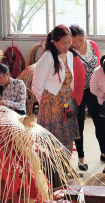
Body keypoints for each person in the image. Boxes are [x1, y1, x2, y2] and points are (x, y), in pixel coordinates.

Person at [32, 25, 80, 154]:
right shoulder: (47, 58)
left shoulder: (69, 55)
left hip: (68, 99)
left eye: (70, 42)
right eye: (64, 43)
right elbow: (37, 86)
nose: (68, 46)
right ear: (54, 42)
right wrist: (45, 102)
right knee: (53, 139)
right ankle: (53, 172)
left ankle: (67, 170)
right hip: (51, 102)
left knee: (69, 134)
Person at [69, 24, 105, 171]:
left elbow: (98, 68)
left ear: (85, 36)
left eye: (80, 39)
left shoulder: (93, 45)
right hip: (74, 93)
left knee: (100, 122)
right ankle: (81, 158)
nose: (77, 44)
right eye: (74, 41)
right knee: (78, 126)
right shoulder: (68, 51)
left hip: (93, 90)